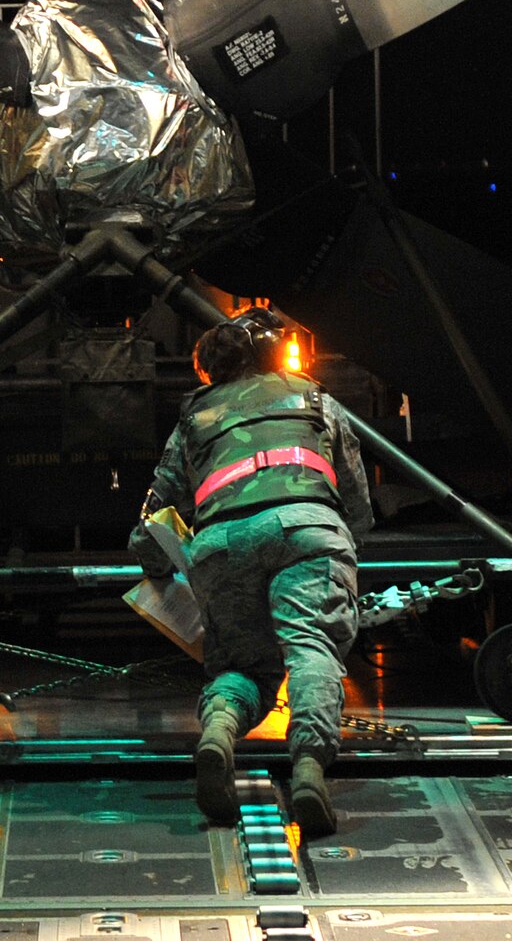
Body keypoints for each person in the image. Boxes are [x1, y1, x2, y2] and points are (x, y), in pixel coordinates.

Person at [130, 311, 372, 837]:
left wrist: (153, 567)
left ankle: (217, 734)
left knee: (244, 667)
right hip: (306, 531)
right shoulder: (314, 399)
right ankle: (308, 771)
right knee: (310, 647)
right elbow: (357, 503)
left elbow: (156, 513)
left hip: (220, 547)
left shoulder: (195, 415)